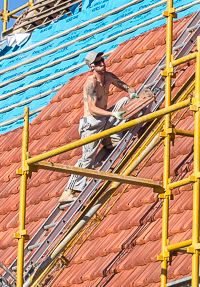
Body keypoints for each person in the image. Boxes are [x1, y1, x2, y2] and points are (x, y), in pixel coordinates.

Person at [59, 52, 155, 202]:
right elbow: (92, 109)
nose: (102, 64)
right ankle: (69, 191)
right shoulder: (91, 83)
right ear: (92, 67)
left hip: (104, 119)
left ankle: (112, 138)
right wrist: (113, 116)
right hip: (91, 124)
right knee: (88, 159)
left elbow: (125, 87)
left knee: (123, 101)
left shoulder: (108, 76)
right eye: (98, 63)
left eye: (102, 60)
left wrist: (132, 93)